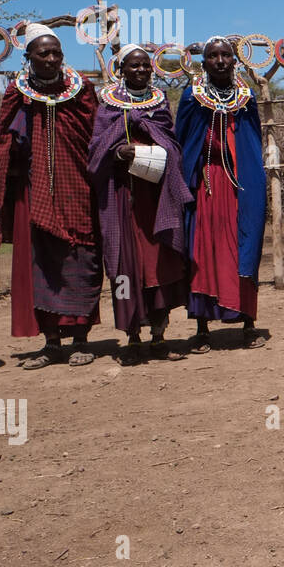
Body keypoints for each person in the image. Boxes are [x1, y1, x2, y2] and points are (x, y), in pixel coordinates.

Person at [0, 24, 101, 368]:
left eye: (56, 52)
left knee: (80, 258)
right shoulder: (18, 93)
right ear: (29, 57)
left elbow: (96, 136)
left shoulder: (82, 89)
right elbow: (5, 140)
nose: (52, 59)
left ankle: (82, 339)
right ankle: (52, 342)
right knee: (42, 263)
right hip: (34, 188)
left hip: (78, 188)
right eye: (44, 53)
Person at [89, 44, 192, 364]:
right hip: (122, 196)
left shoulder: (160, 102)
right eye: (133, 66)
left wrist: (149, 134)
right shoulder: (107, 104)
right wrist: (118, 151)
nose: (141, 70)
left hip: (156, 199)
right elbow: (95, 151)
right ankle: (133, 338)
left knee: (160, 263)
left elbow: (173, 145)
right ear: (121, 70)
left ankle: (160, 336)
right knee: (126, 265)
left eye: (145, 65)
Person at [175, 37, 267, 353]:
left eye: (225, 55)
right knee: (203, 251)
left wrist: (254, 181)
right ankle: (202, 327)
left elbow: (252, 144)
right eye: (212, 56)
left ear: (234, 61)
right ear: (204, 63)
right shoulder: (191, 98)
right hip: (205, 184)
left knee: (244, 247)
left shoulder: (247, 98)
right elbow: (182, 144)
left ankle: (248, 323)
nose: (219, 61)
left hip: (241, 184)